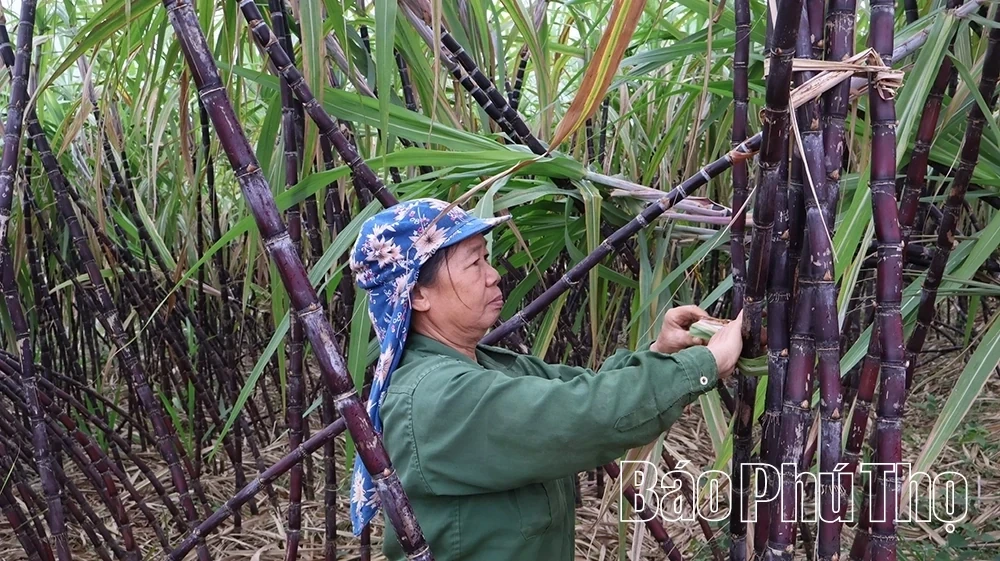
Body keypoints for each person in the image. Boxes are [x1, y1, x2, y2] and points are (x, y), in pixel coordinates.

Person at [347, 198, 744, 560]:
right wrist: (706, 364)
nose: (493, 275)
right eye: (474, 263)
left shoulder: (485, 365)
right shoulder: (435, 397)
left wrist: (661, 353)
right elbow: (586, 417)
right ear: (418, 295)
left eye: (487, 259)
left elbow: (582, 392)